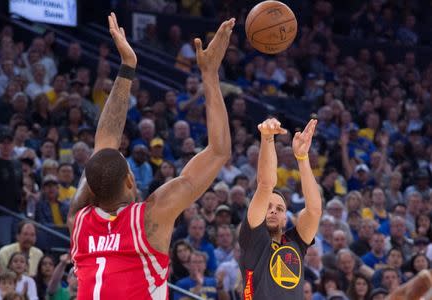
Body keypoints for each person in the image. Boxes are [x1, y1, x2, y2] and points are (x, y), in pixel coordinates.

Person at [68, 13, 234, 299]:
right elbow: (218, 151)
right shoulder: (149, 218)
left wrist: (127, 66)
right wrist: (209, 74)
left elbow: (104, 145)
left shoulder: (78, 222)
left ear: (91, 190)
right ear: (131, 181)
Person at [239, 118, 322, 299]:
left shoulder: (295, 242)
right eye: (268, 206)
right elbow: (266, 183)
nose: (274, 211)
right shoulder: (252, 236)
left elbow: (314, 211)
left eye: (279, 208)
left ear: (286, 218)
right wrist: (267, 138)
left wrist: (302, 158)